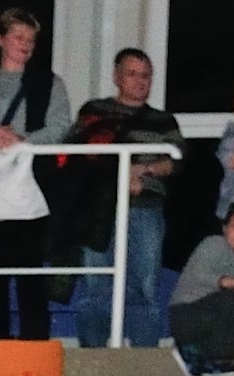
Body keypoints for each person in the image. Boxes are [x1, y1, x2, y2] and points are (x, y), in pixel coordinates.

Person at [0, 10, 72, 340]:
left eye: (31, 40)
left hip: (32, 187)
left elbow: (61, 127)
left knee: (31, 272)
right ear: (0, 39)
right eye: (19, 37)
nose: (26, 45)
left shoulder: (50, 83)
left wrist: (23, 140)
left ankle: (34, 344)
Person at [65, 46, 180, 349]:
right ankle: (93, 359)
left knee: (144, 287)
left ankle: (142, 361)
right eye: (132, 74)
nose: (140, 81)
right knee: (96, 286)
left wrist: (144, 170)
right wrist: (121, 173)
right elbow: (79, 151)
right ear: (116, 77)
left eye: (146, 76)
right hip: (98, 211)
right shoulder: (94, 110)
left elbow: (174, 161)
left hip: (145, 210)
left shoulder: (163, 120)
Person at [164, 198, 234, 376]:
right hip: (187, 313)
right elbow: (200, 275)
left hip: (212, 315)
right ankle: (216, 359)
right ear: (225, 228)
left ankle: (199, 358)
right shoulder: (214, 244)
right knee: (229, 302)